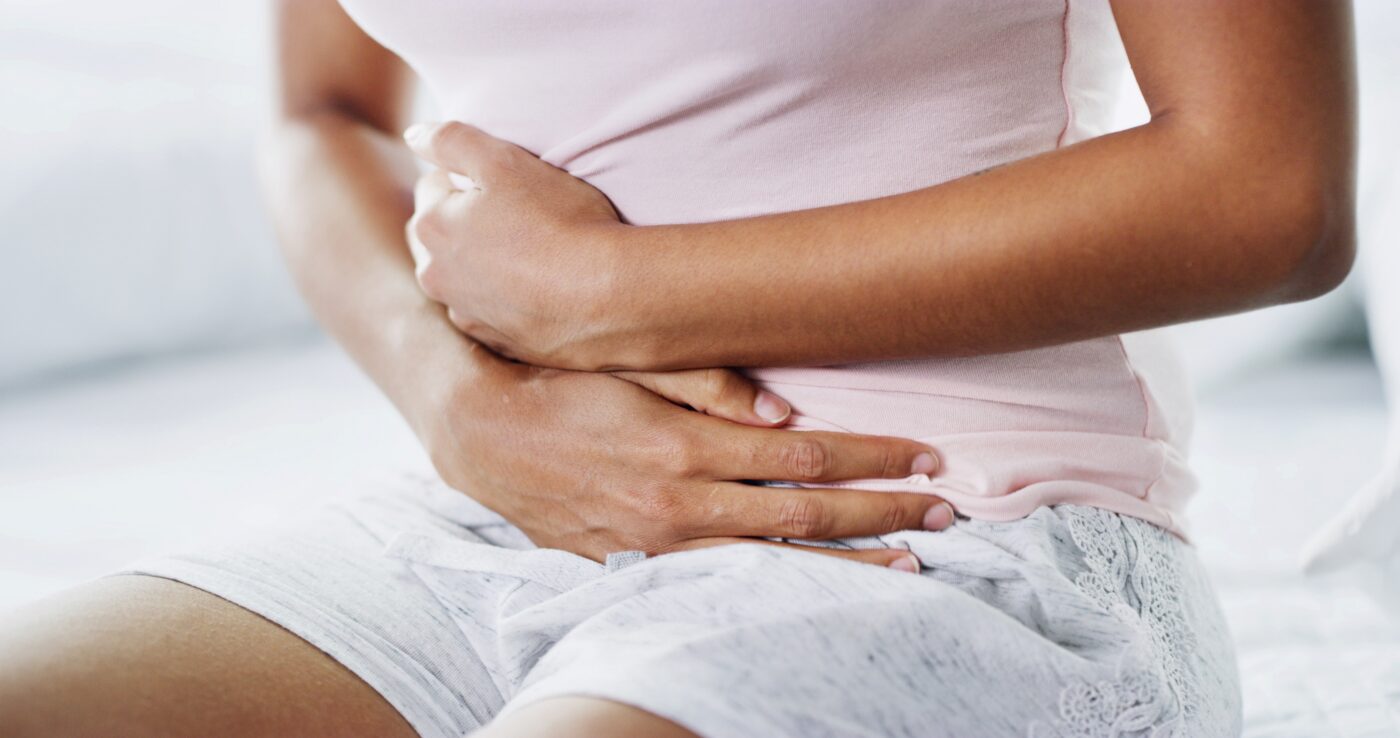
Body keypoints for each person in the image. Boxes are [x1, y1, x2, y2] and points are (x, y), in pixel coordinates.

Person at [0, 1, 1355, 736]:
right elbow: (322, 110)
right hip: (503, 515)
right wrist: (459, 401)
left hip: (954, 531)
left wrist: (606, 293)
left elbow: (1269, 184)